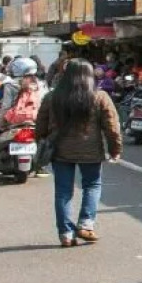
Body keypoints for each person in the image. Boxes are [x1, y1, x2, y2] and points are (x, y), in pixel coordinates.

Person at [36, 59, 123, 247]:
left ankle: (66, 234)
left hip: (60, 150)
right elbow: (112, 127)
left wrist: (43, 143)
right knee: (92, 186)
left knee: (63, 192)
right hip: (90, 151)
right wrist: (115, 149)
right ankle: (86, 223)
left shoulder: (52, 97)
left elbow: (40, 126)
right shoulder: (99, 97)